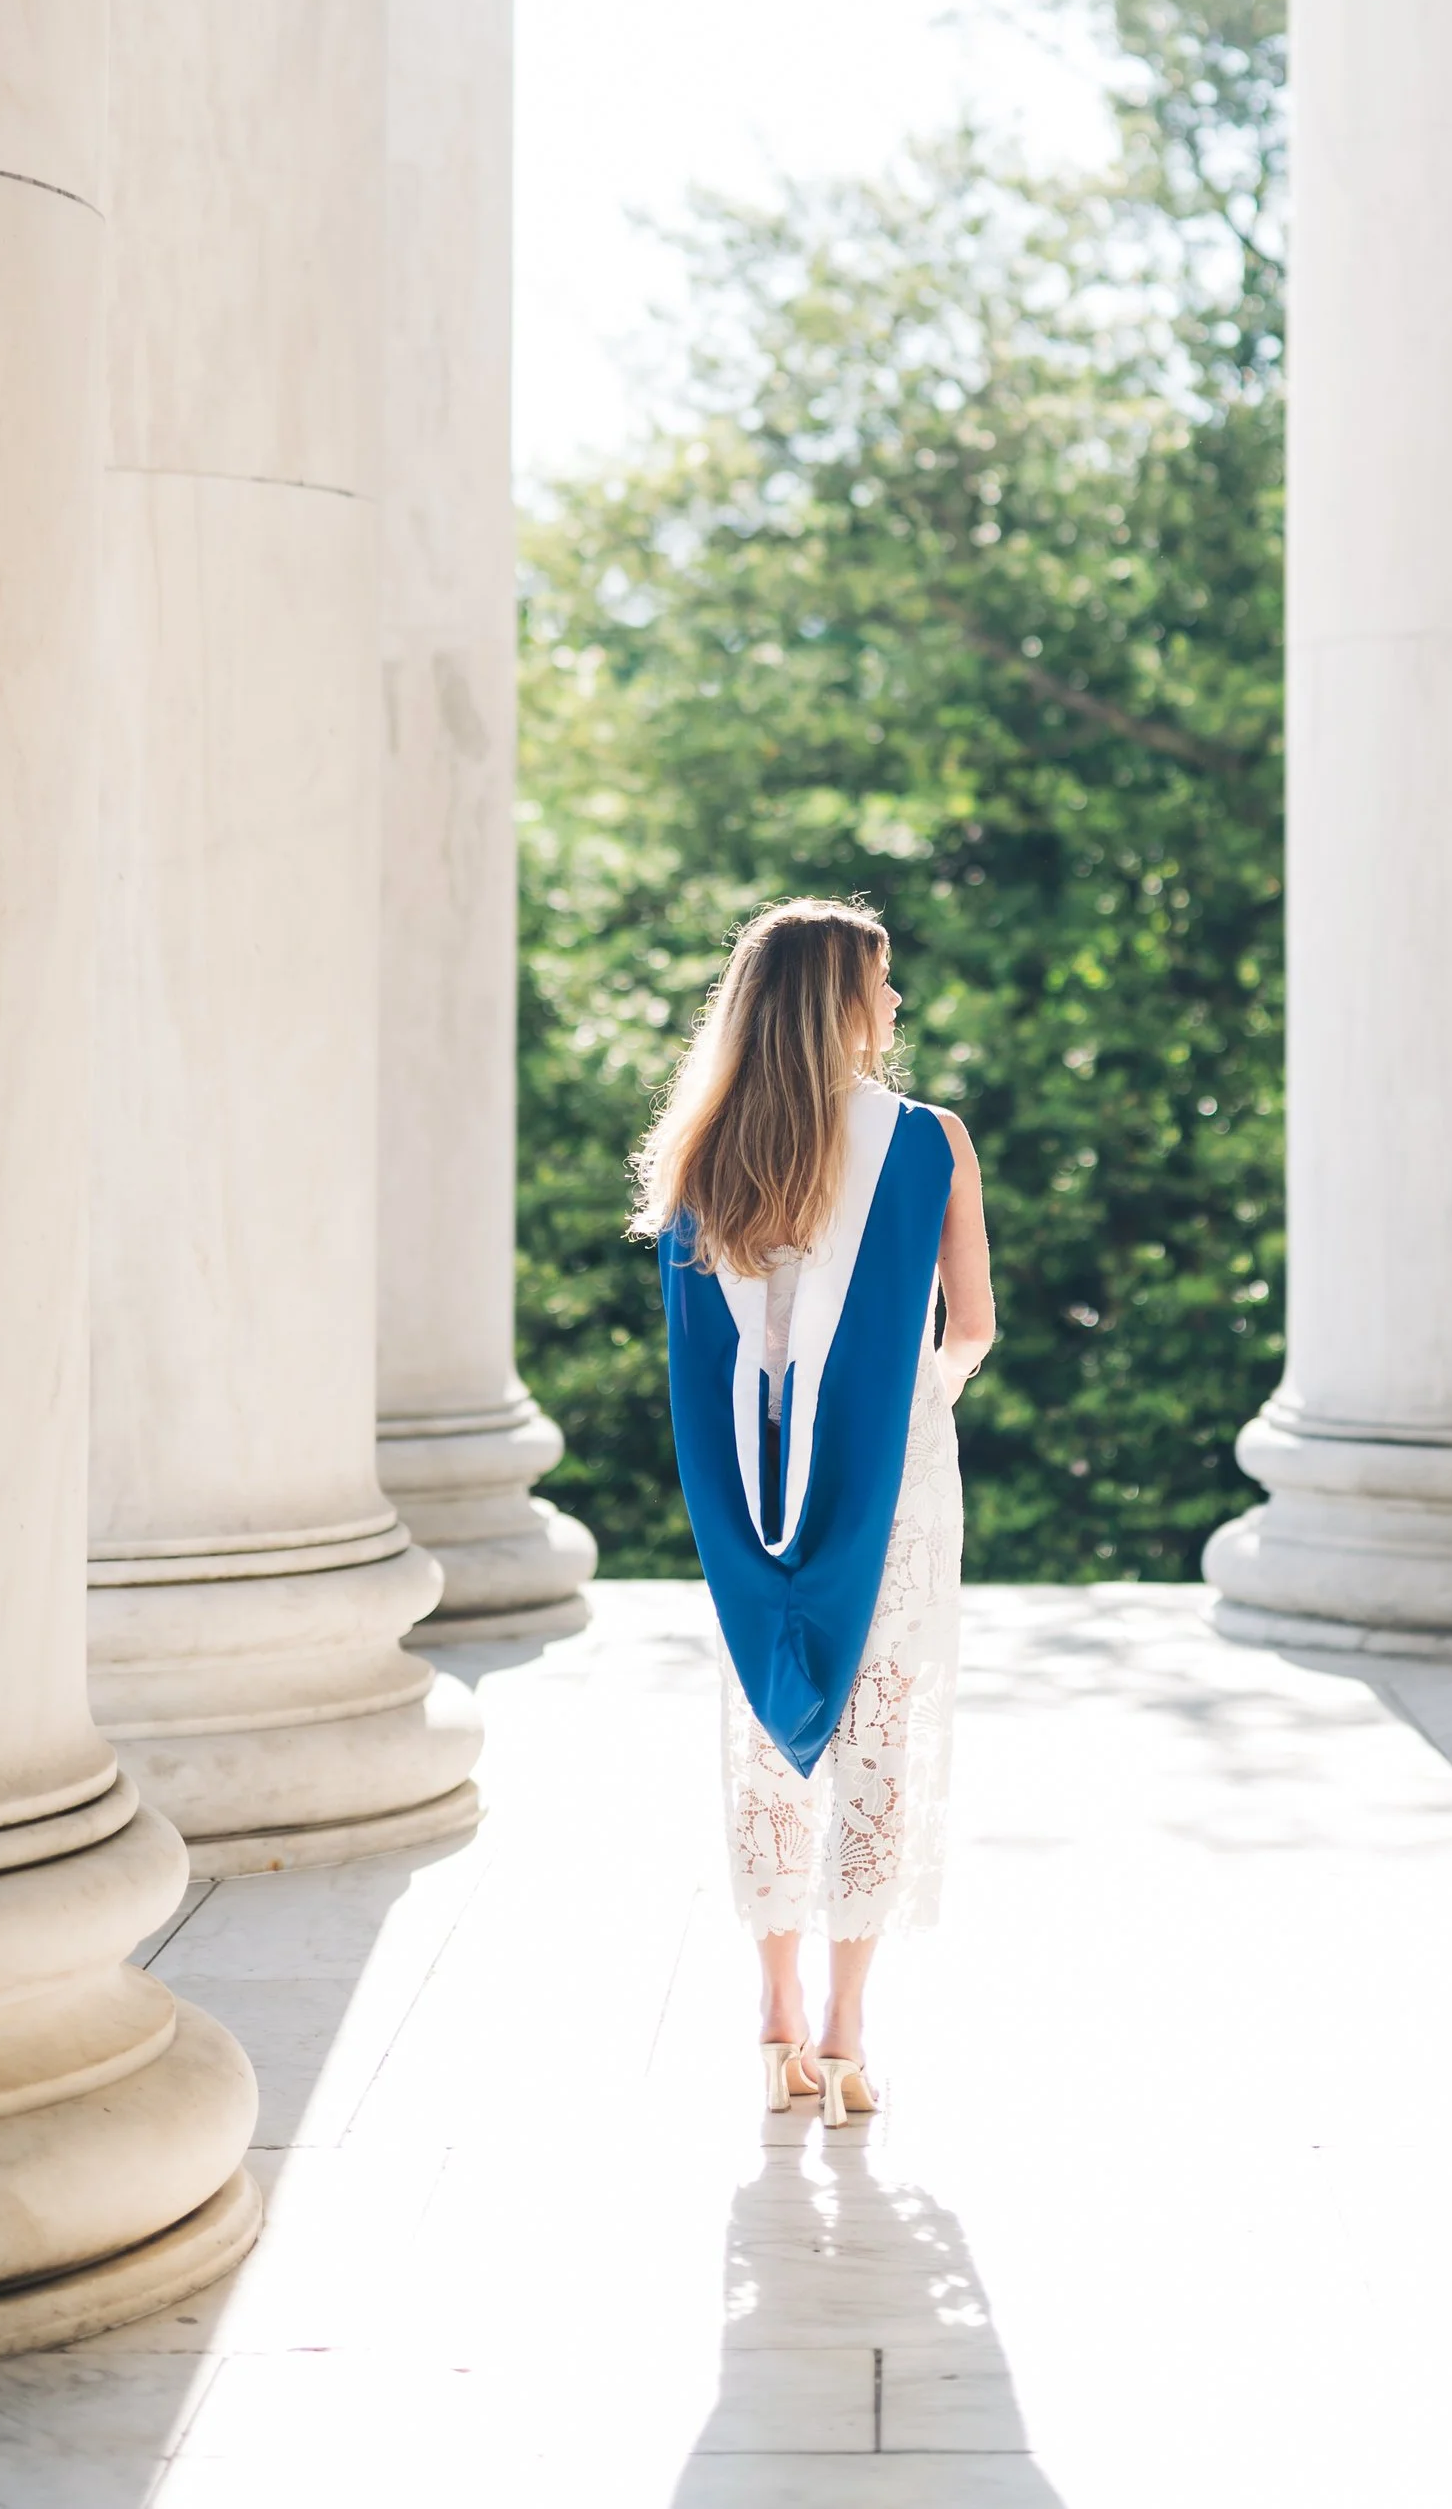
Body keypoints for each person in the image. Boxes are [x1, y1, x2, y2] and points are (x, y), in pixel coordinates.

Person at [637, 898, 995, 2125]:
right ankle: (846, 2037)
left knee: (768, 1722)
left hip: (753, 1472)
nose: (896, 1003)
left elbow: (700, 1346)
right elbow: (973, 1328)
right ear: (841, 1001)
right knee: (877, 1729)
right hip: (892, 1472)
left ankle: (774, 2015)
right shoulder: (928, 1141)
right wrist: (916, 1404)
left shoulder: (705, 1151)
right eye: (882, 982)